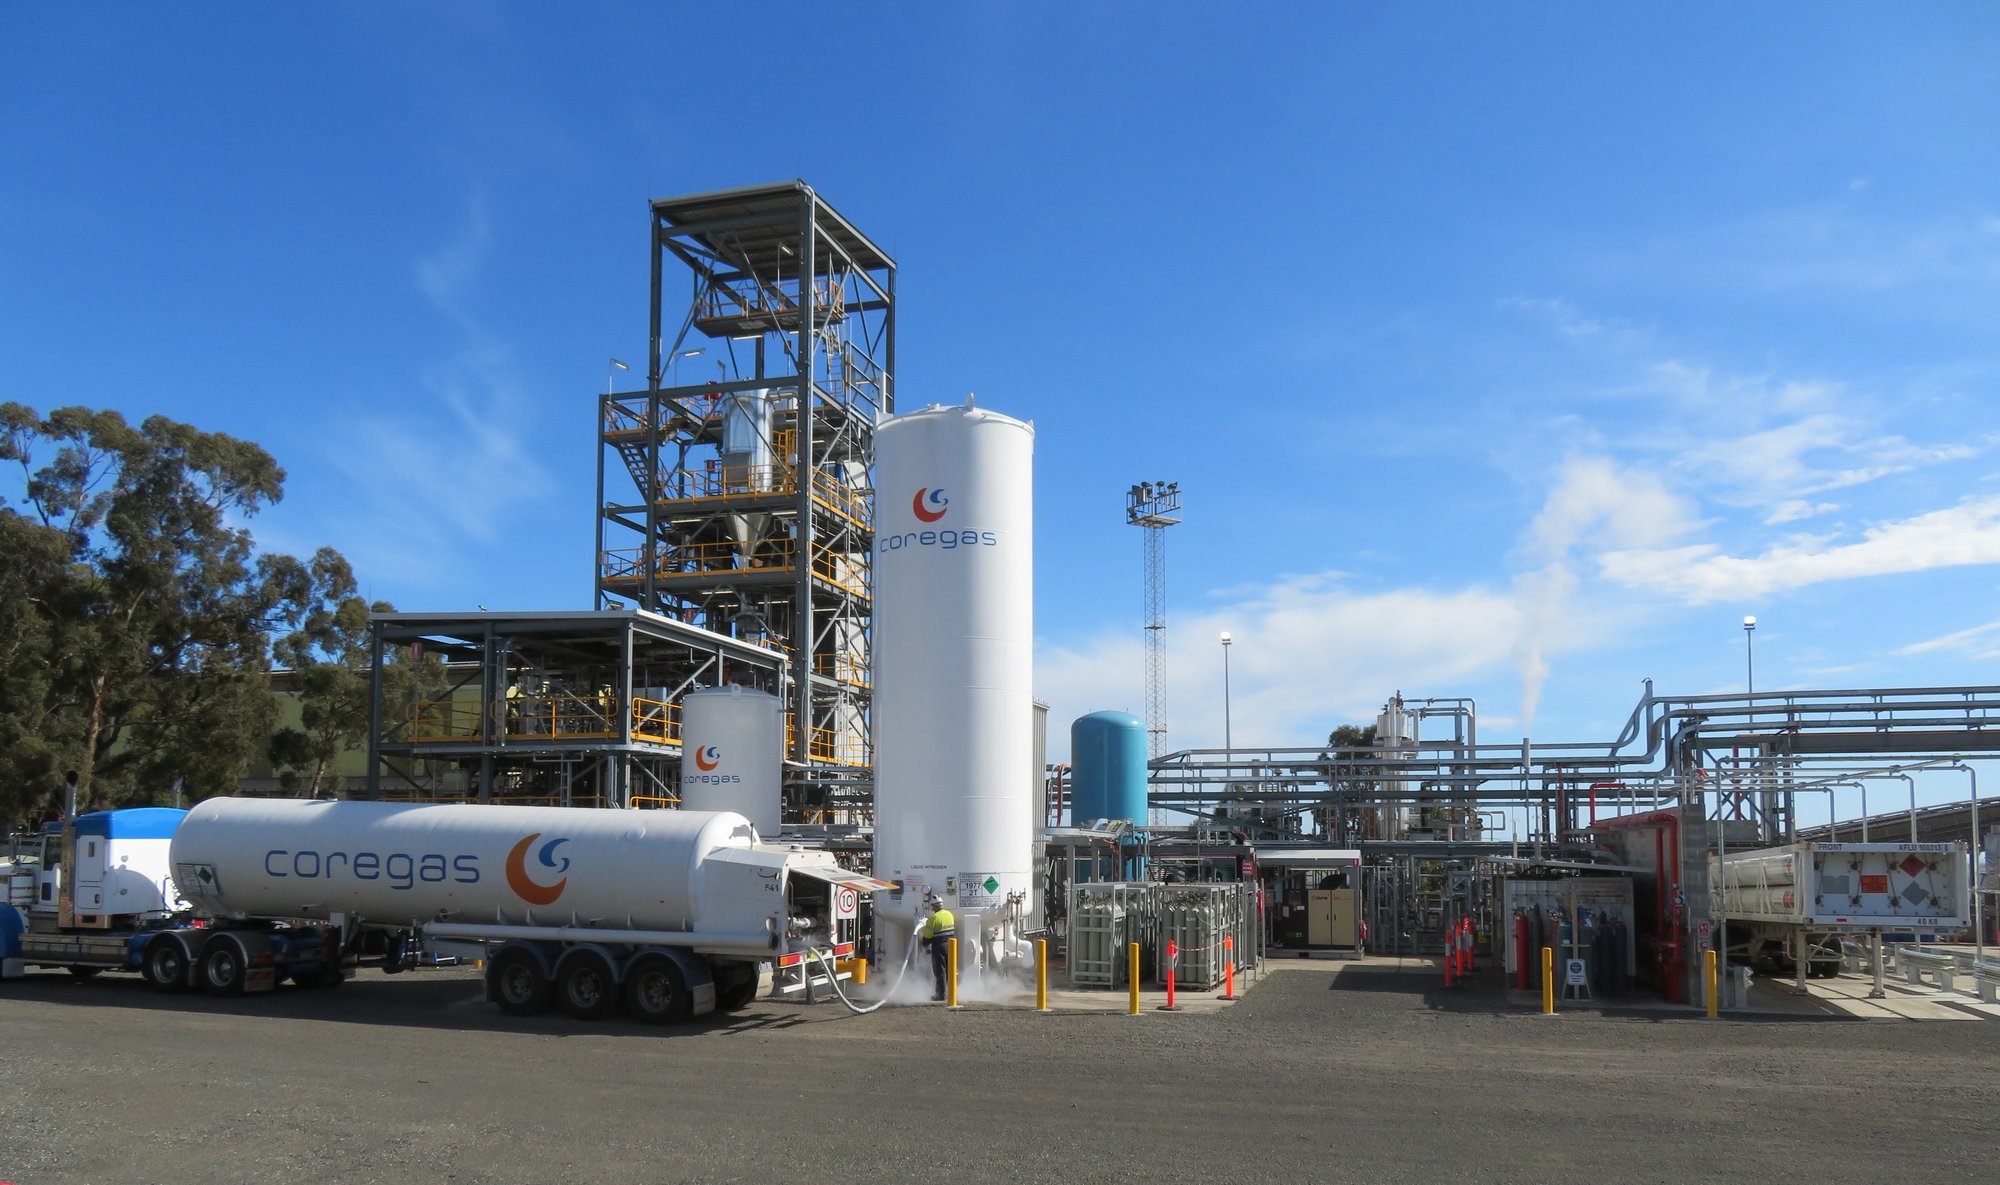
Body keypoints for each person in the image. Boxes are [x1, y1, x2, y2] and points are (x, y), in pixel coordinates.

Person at [919, 892, 956, 1001]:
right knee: (950, 970)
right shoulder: (950, 914)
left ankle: (941, 995)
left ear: (934, 906)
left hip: (939, 946)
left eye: (933, 906)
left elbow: (928, 936)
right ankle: (951, 993)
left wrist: (923, 943)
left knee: (940, 971)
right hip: (951, 945)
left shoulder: (933, 918)